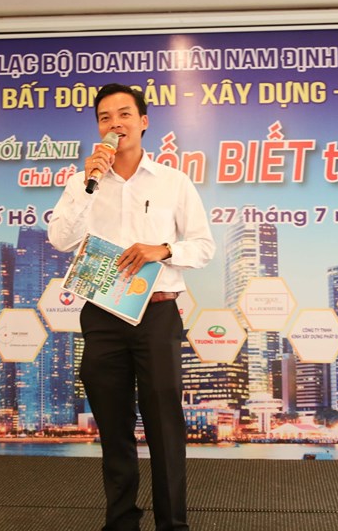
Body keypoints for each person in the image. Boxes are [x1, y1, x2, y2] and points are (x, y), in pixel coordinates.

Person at [48, 83, 215, 531]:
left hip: (157, 314)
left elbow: (203, 247)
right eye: (105, 117)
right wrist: (88, 187)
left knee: (165, 426)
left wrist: (163, 250)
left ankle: (172, 524)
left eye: (124, 114)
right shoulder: (81, 182)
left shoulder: (173, 182)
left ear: (143, 122)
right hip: (102, 316)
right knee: (113, 426)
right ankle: (121, 522)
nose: (115, 123)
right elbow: (60, 239)